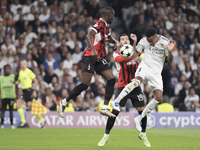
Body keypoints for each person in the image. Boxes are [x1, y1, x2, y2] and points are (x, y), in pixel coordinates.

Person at [111, 27, 176, 131]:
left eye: (151, 41)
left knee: (158, 98)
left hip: (156, 72)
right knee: (137, 80)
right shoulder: (144, 41)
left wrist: (170, 51)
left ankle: (139, 119)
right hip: (145, 65)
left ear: (156, 37)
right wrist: (135, 45)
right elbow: (134, 55)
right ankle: (116, 101)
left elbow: (170, 60)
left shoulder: (165, 42)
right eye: (147, 40)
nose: (149, 42)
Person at [58, 6, 118, 118]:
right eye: (113, 16)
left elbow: (108, 37)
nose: (113, 18)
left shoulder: (106, 26)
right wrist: (94, 50)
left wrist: (116, 42)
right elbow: (89, 35)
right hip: (90, 56)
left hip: (99, 58)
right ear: (108, 15)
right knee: (85, 85)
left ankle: (105, 107)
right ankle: (64, 102)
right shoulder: (99, 23)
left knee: (111, 79)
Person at [98, 34, 150, 147]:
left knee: (143, 112)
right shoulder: (116, 53)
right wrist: (135, 55)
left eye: (126, 39)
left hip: (135, 87)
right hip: (122, 87)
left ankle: (143, 134)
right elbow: (122, 58)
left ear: (129, 41)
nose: (125, 40)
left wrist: (137, 49)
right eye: (122, 39)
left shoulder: (136, 51)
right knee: (114, 113)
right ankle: (105, 136)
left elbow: (143, 59)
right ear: (120, 43)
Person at [13, 60, 46, 128]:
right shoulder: (21, 72)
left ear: (26, 65)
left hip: (29, 90)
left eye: (24, 64)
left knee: (18, 105)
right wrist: (13, 82)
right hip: (24, 91)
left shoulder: (29, 71)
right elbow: (18, 82)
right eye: (21, 64)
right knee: (31, 108)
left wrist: (34, 90)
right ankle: (42, 120)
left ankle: (23, 121)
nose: (22, 65)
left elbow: (36, 81)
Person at [0, 65, 16, 129]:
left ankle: (12, 124)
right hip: (4, 96)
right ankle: (2, 124)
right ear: (4, 70)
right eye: (6, 69)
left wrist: (15, 95)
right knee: (3, 110)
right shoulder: (1, 78)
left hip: (11, 96)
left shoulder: (13, 77)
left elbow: (16, 85)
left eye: (9, 69)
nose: (8, 70)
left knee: (11, 110)